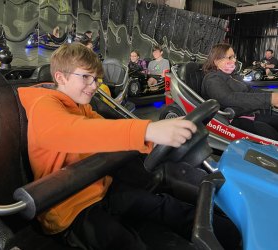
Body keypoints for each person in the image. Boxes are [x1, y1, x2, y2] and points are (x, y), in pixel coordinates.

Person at [18, 43, 240, 249]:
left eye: (95, 79)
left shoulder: (81, 106)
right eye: (86, 77)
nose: (94, 86)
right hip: (67, 208)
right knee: (124, 243)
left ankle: (239, 239)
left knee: (166, 206)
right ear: (61, 77)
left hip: (101, 188)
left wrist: (160, 134)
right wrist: (148, 131)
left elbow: (109, 131)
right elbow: (72, 131)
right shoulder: (44, 104)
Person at [202, 43, 278, 140]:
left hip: (248, 112)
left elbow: (249, 90)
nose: (234, 60)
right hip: (233, 120)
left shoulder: (233, 75)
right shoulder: (212, 79)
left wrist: (272, 96)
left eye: (234, 57)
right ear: (217, 61)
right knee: (271, 135)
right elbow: (229, 98)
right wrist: (269, 99)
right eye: (230, 57)